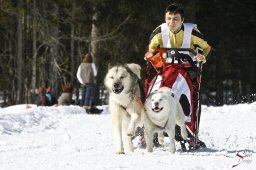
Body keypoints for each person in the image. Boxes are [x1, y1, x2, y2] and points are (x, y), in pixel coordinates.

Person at [145, 3, 211, 63]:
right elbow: (151, 49)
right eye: (169, 18)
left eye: (175, 19)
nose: (171, 22)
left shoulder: (192, 32)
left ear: (182, 20)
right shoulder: (158, 33)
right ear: (165, 19)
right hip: (165, 69)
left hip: (188, 68)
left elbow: (206, 48)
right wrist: (150, 54)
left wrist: (202, 57)